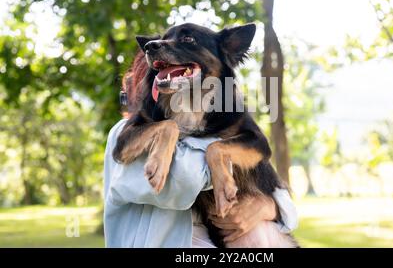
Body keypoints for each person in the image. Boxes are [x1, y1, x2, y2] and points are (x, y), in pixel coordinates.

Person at [103, 52, 298, 247]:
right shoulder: (128, 135)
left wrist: (267, 207)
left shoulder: (208, 132)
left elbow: (276, 189)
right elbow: (187, 179)